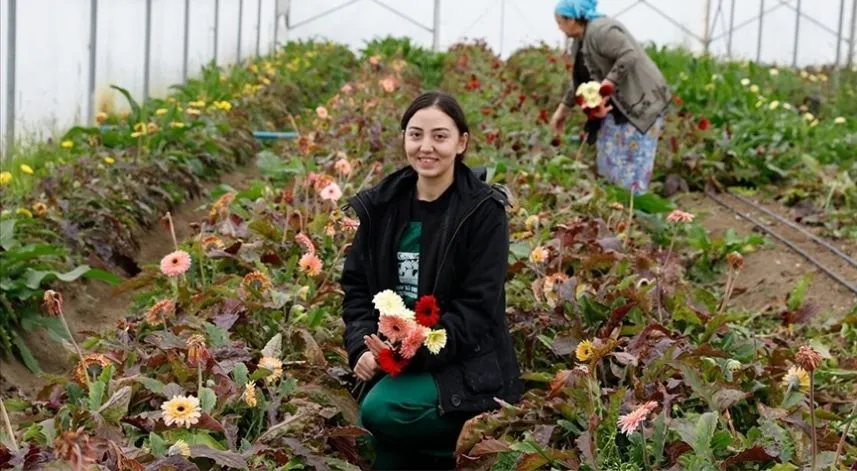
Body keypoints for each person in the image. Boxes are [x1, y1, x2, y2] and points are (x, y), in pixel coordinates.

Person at [339, 91, 523, 470]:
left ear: (461, 143)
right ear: (404, 138)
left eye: (440, 136)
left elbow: (476, 311)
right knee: (367, 433)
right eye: (416, 134)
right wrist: (360, 346)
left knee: (380, 412)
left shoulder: (483, 212)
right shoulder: (382, 206)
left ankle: (466, 449)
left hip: (463, 357)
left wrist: (405, 353)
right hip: (394, 355)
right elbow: (357, 288)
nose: (427, 147)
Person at [548, 0, 672, 194]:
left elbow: (628, 54)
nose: (559, 27)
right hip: (616, 109)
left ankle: (633, 213)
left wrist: (606, 85)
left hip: (639, 105)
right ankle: (615, 212)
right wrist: (562, 110)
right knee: (610, 163)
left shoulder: (601, 30)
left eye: (560, 21)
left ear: (572, 19)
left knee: (632, 166)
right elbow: (579, 80)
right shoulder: (579, 42)